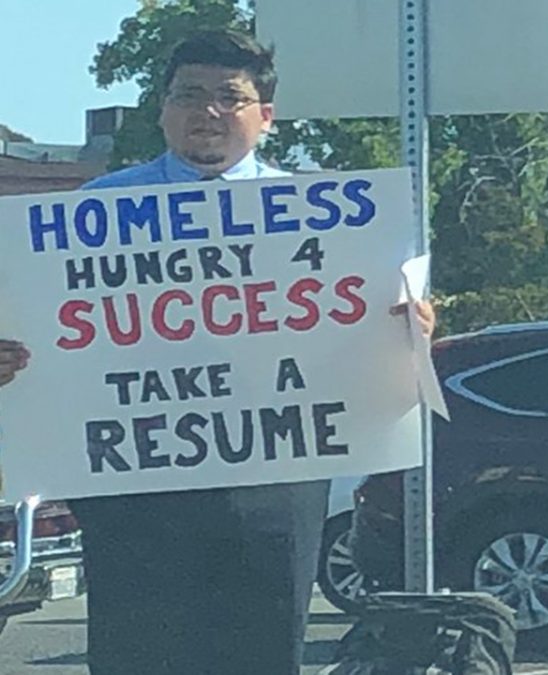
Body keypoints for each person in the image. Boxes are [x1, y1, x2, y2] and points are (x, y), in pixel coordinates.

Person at [0, 30, 435, 674]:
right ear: (162, 109)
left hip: (275, 484)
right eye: (189, 95)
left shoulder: (330, 219)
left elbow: (378, 344)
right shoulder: (99, 209)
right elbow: (48, 335)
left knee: (259, 655)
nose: (207, 111)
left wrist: (410, 331)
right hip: (132, 484)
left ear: (266, 116)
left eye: (229, 98)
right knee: (137, 656)